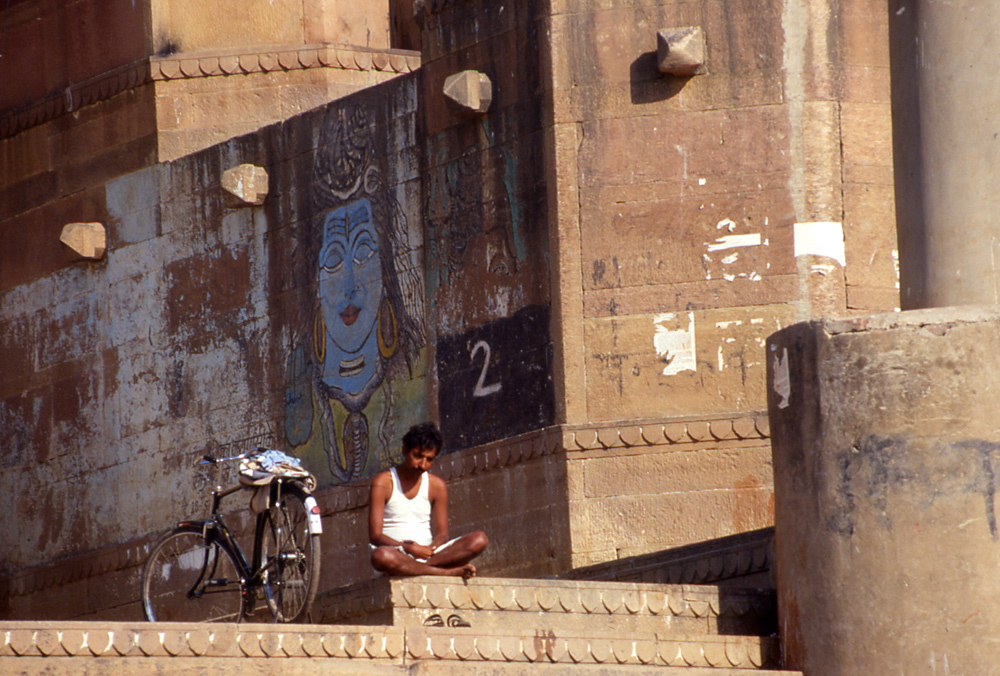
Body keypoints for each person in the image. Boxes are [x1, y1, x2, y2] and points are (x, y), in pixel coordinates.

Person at [369, 422, 488, 578]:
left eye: (429, 459)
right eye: (417, 456)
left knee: (479, 539)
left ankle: (421, 568)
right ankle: (446, 572)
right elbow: (375, 536)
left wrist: (430, 550)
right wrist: (407, 548)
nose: (423, 465)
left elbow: (442, 535)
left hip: (430, 556)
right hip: (396, 554)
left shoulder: (436, 485)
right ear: (405, 451)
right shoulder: (383, 482)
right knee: (381, 556)